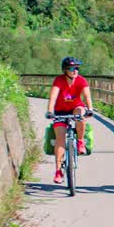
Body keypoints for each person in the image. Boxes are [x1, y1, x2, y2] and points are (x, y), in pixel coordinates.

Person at [46, 56, 94, 185]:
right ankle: (58, 171)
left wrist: (90, 108)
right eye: (72, 68)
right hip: (60, 111)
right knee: (60, 138)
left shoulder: (81, 81)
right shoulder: (59, 81)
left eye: (77, 68)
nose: (75, 71)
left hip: (75, 108)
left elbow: (87, 96)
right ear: (65, 70)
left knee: (81, 114)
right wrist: (50, 112)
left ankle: (80, 141)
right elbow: (53, 98)